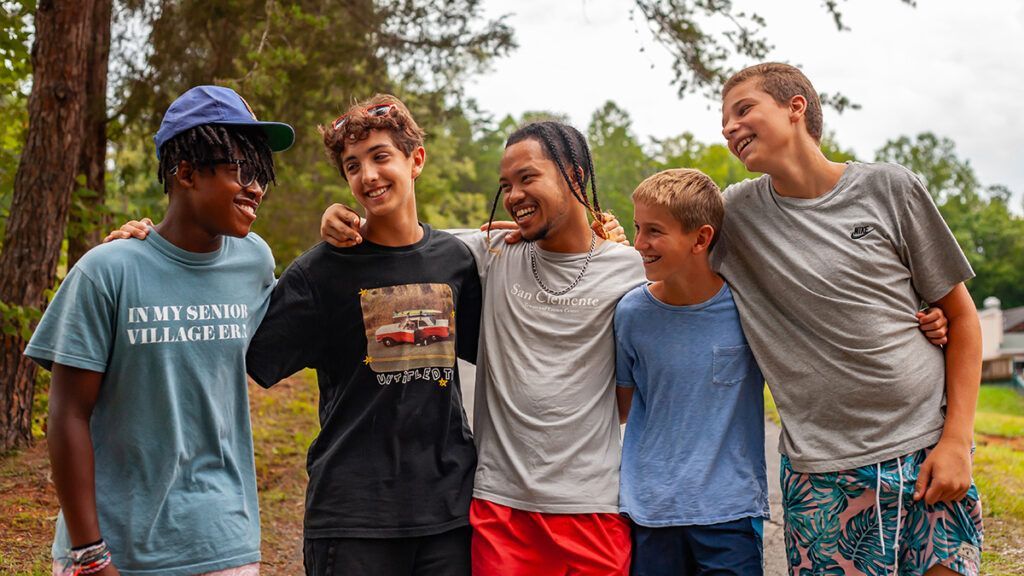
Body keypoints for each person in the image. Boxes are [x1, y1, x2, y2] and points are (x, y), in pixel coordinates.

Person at [717, 62, 983, 575]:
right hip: (824, 474)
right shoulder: (733, 216)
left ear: (796, 107)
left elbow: (963, 319)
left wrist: (956, 440)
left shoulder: (890, 188)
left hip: (928, 449)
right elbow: (662, 248)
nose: (728, 128)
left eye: (743, 110)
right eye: (724, 120)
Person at [27, 86, 294, 576]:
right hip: (114, 545)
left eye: (263, 173)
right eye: (243, 169)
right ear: (187, 173)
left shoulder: (254, 260)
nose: (257, 187)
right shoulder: (107, 271)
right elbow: (67, 414)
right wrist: (89, 553)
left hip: (223, 539)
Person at [244, 95, 482, 576]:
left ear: (415, 160)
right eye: (353, 166)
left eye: (380, 156)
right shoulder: (319, 272)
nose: (368, 175)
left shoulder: (457, 261)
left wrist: (606, 245)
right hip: (352, 519)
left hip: (447, 512)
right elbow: (246, 347)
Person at [616, 168, 768, 575]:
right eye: (637, 228)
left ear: (701, 238)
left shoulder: (748, 308)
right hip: (651, 513)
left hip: (730, 514)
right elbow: (622, 406)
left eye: (654, 231)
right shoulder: (631, 313)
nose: (639, 243)